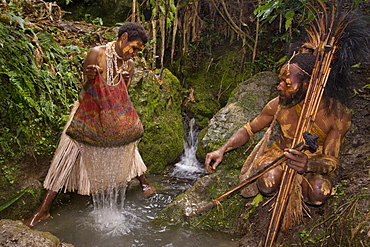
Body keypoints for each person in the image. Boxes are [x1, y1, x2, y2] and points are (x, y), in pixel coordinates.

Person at [24, 22, 155, 227]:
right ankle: (43, 210)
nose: (135, 53)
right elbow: (85, 89)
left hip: (112, 116)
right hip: (87, 113)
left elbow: (122, 95)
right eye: (135, 47)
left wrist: (126, 81)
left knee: (127, 141)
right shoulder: (97, 53)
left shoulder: (129, 64)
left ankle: (144, 182)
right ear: (124, 38)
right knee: (67, 151)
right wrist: (90, 78)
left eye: (139, 50)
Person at [205, 52, 351, 206]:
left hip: (313, 163)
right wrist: (221, 150)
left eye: (287, 84)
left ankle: (298, 192)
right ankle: (281, 189)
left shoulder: (337, 114)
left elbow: (331, 160)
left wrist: (308, 164)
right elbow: (249, 129)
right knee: (268, 182)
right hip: (280, 156)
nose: (279, 87)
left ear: (307, 85)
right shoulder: (277, 105)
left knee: (318, 192)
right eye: (280, 81)